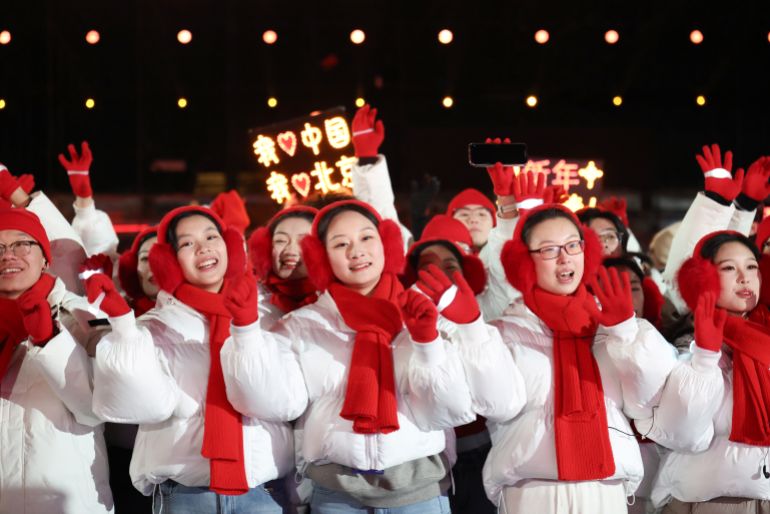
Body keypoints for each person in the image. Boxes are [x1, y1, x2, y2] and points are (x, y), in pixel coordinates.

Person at [260, 199, 478, 513]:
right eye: (340, 243)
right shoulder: (300, 326)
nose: (356, 251)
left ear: (385, 244)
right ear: (322, 258)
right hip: (336, 496)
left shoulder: (420, 311)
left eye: (366, 237)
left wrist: (428, 342)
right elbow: (282, 406)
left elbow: (453, 409)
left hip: (418, 494)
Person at [90, 205, 307, 513]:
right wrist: (124, 329)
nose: (203, 247)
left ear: (229, 245)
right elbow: (144, 407)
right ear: (169, 261)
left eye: (211, 236)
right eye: (187, 243)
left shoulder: (269, 315)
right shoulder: (151, 328)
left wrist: (246, 330)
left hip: (264, 495)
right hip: (184, 496)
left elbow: (283, 404)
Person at [485, 204, 677, 513]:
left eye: (573, 245)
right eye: (549, 249)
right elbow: (491, 404)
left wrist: (625, 332)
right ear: (524, 261)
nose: (564, 257)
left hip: (606, 490)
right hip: (532, 493)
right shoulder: (505, 333)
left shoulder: (612, 326)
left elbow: (648, 400)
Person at [640, 231, 770, 513]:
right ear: (703, 279)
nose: (744, 277)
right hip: (709, 500)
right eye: (728, 268)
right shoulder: (690, 346)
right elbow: (684, 434)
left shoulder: (766, 338)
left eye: (751, 267)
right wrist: (705, 360)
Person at [0, 208, 113, 513]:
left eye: (23, 244)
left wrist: (49, 340)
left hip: (66, 502)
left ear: (46, 259)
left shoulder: (83, 314)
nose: (9, 255)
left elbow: (97, 408)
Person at [248, 205, 318, 329]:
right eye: (280, 240)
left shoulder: (337, 303)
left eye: (303, 241)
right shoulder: (250, 301)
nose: (290, 250)